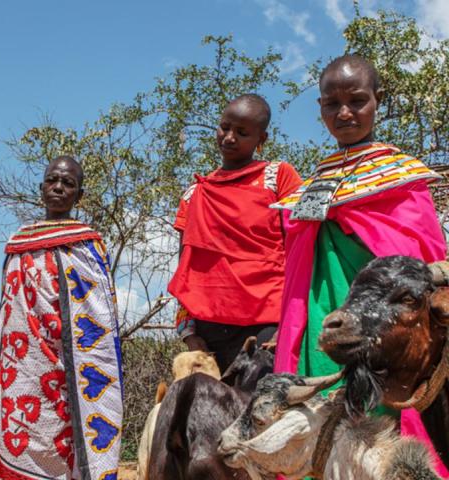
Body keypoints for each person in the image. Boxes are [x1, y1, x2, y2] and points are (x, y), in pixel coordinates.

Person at [272, 54, 449, 475]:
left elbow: (419, 256)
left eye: (357, 100)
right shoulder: (314, 184)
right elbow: (298, 260)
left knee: (385, 427)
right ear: (320, 109)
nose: (345, 112)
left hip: (383, 328)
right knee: (319, 417)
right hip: (321, 318)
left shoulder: (403, 180)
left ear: (378, 101)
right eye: (332, 104)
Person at [0, 156, 123, 480]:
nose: (58, 188)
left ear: (78, 195)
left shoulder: (86, 245)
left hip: (66, 371)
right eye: (52, 181)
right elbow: (7, 313)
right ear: (41, 187)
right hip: (20, 369)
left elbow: (97, 318)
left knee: (58, 446)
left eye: (68, 183)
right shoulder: (18, 244)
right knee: (15, 440)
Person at [168, 94, 302, 374]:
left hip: (267, 324)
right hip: (207, 329)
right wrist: (189, 334)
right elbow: (186, 271)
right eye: (224, 127)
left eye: (242, 133)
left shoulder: (279, 178)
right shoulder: (194, 194)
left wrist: (290, 327)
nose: (229, 137)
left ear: (260, 139)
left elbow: (302, 252)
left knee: (264, 411)